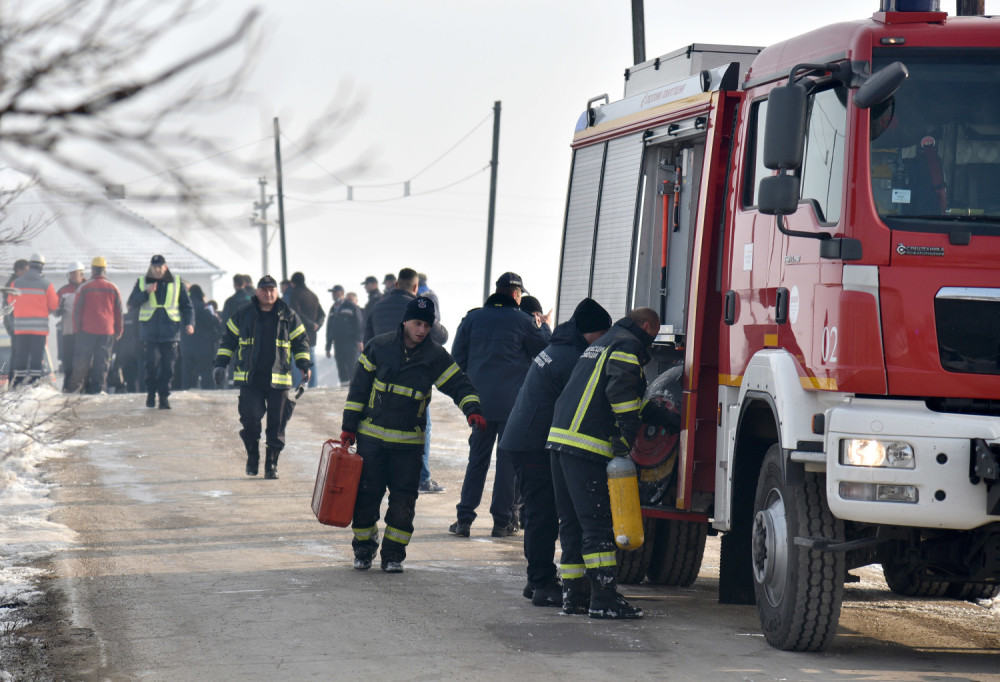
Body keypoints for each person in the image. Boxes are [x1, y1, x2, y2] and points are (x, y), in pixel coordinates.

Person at [340, 295, 484, 573]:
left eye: (427, 326)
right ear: (405, 321)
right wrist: (349, 427)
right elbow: (358, 389)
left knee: (404, 500)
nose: (422, 330)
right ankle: (364, 549)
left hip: (408, 444)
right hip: (372, 441)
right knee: (366, 496)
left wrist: (472, 408)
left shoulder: (434, 356)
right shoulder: (378, 347)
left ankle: (393, 555)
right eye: (417, 324)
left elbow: (458, 383)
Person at [546, 307, 660, 619]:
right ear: (648, 326)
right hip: (586, 446)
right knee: (596, 525)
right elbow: (620, 391)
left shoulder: (606, 341)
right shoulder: (627, 344)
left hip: (560, 441)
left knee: (570, 524)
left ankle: (574, 596)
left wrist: (656, 412)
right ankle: (604, 599)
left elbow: (612, 389)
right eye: (654, 334)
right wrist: (626, 433)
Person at [499, 298, 612, 608]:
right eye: (602, 333)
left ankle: (536, 578)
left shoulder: (558, 347)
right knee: (543, 514)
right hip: (534, 441)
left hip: (525, 437)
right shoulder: (572, 358)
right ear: (590, 332)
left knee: (540, 512)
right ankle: (540, 582)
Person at [449, 271, 550, 538]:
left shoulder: (472, 318)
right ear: (516, 295)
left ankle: (464, 520)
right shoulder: (525, 322)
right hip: (512, 408)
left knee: (477, 460)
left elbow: (457, 358)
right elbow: (546, 351)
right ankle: (501, 521)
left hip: (478, 404)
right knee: (507, 462)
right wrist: (544, 324)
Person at [213, 275, 312, 479]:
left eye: (272, 290)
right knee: (250, 420)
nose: (268, 294)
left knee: (277, 425)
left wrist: (303, 364)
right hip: (251, 379)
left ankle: (271, 465)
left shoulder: (288, 314)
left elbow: (301, 341)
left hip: (279, 379)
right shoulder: (244, 314)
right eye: (264, 290)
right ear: (256, 292)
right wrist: (220, 364)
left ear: (277, 292)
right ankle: (252, 456)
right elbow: (228, 340)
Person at [364, 268, 448, 492]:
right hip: (415, 380)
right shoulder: (420, 307)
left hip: (381, 381)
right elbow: (442, 336)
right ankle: (421, 478)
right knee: (420, 427)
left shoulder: (377, 307)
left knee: (380, 429)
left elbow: (367, 344)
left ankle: (382, 476)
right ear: (414, 287)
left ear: (395, 284)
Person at [127, 254, 194, 409]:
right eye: (154, 267)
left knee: (168, 367)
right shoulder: (142, 282)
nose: (157, 270)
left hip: (171, 331)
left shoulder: (177, 282)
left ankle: (164, 397)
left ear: (166, 267)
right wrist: (146, 293)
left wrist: (189, 323)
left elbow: (186, 306)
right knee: (151, 365)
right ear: (151, 267)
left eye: (160, 267)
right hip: (150, 332)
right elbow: (132, 302)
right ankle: (151, 393)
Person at [67, 257, 123, 394]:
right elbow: (119, 312)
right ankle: (99, 388)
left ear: (92, 270)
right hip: (107, 330)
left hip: (87, 330)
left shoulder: (84, 287)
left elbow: (77, 311)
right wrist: (119, 330)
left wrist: (77, 329)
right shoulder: (113, 287)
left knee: (82, 359)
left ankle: (76, 388)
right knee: (102, 360)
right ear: (105, 270)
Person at [7, 253, 58, 386]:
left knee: (21, 355)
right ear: (42, 266)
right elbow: (54, 305)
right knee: (36, 356)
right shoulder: (46, 284)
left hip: (21, 328)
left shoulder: (16, 283)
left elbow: (10, 301)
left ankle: (17, 381)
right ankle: (35, 382)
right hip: (39, 329)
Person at [286, 272, 324, 389]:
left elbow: (296, 313)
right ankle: (313, 385)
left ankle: (300, 385)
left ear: (293, 283)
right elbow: (322, 314)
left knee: (297, 358)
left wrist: (310, 324)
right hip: (312, 335)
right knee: (311, 359)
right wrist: (316, 325)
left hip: (299, 334)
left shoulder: (295, 294)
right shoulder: (313, 295)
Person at [181, 284, 222, 390]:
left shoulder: (182, 308)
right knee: (206, 377)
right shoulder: (201, 307)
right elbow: (214, 322)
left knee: (187, 377)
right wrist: (216, 318)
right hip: (203, 349)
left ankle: (185, 395)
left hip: (186, 349)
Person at [55, 262, 86, 391]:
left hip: (84, 332)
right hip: (68, 331)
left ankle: (83, 385)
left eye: (75, 273)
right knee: (68, 360)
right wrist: (58, 311)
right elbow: (55, 307)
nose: (72, 276)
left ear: (81, 273)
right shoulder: (63, 290)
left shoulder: (88, 288)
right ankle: (67, 385)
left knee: (83, 360)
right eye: (70, 274)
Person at [327, 289, 363, 386]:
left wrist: (359, 340)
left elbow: (359, 323)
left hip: (350, 341)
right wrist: (328, 347)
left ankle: (355, 386)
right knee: (341, 364)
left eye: (336, 293)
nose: (334, 295)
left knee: (351, 364)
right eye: (333, 293)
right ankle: (344, 386)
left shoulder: (351, 306)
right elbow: (329, 328)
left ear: (342, 294)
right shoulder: (333, 309)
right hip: (337, 342)